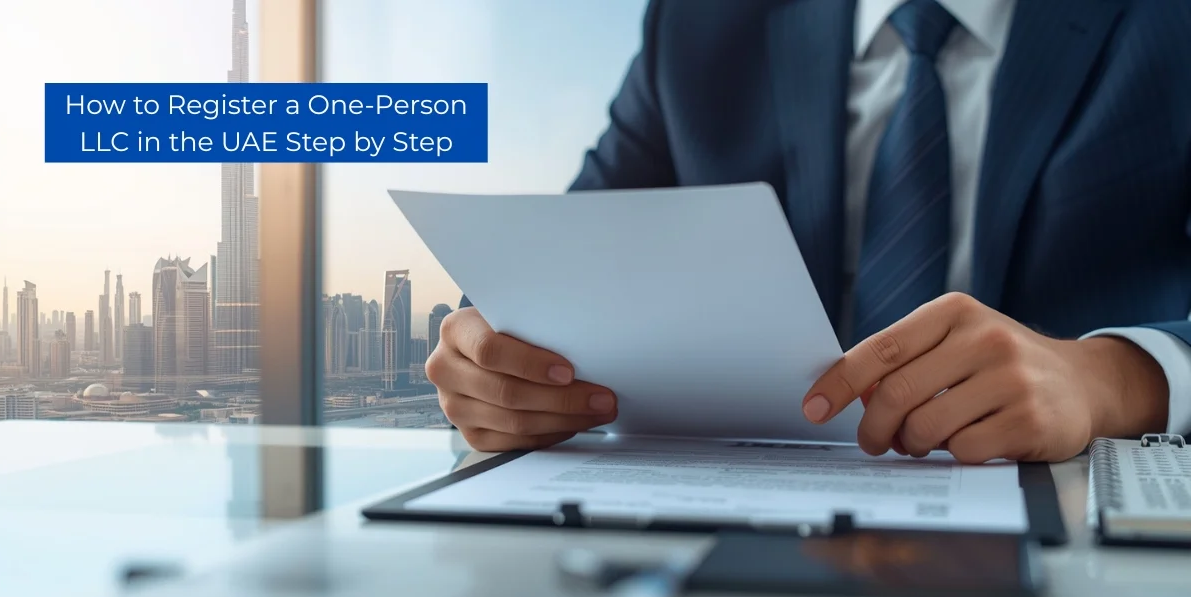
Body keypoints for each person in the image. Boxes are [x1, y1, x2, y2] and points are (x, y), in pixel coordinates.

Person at [426, 0, 1191, 462]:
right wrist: (494, 362)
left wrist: (1114, 380)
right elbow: (550, 265)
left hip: (1074, 525)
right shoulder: (698, 27)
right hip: (740, 515)